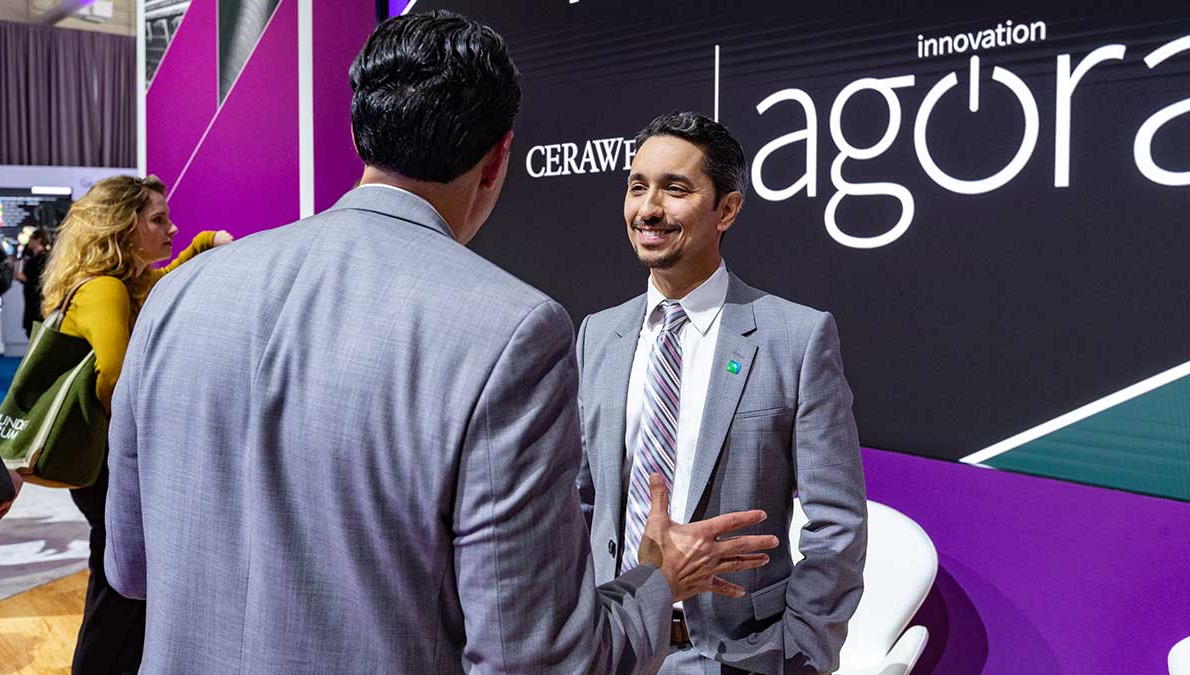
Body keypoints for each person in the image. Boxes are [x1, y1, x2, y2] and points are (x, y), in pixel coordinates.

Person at [103, 11, 776, 675]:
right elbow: (538, 661)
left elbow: (128, 567)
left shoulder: (176, 295)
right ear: (497, 160)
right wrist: (655, 579)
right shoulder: (514, 331)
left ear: (357, 133)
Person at [576, 112, 869, 675]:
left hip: (734, 654)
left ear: (727, 209)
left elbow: (838, 523)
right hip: (608, 643)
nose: (648, 209)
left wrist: (798, 653)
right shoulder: (598, 334)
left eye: (675, 189)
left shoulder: (796, 337)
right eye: (638, 187)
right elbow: (579, 499)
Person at [32, 174, 232, 674]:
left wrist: (202, 246)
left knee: (123, 583)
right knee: (117, 588)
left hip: (99, 464)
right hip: (106, 466)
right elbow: (115, 380)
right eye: (158, 219)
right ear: (123, 226)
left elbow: (163, 282)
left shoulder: (118, 283)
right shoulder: (106, 290)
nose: (172, 227)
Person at [15, 225, 50, 337]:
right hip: (31, 302)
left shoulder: (43, 258)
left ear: (38, 239)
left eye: (31, 238)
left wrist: (25, 279)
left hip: (38, 304)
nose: (29, 241)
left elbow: (39, 280)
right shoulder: (31, 257)